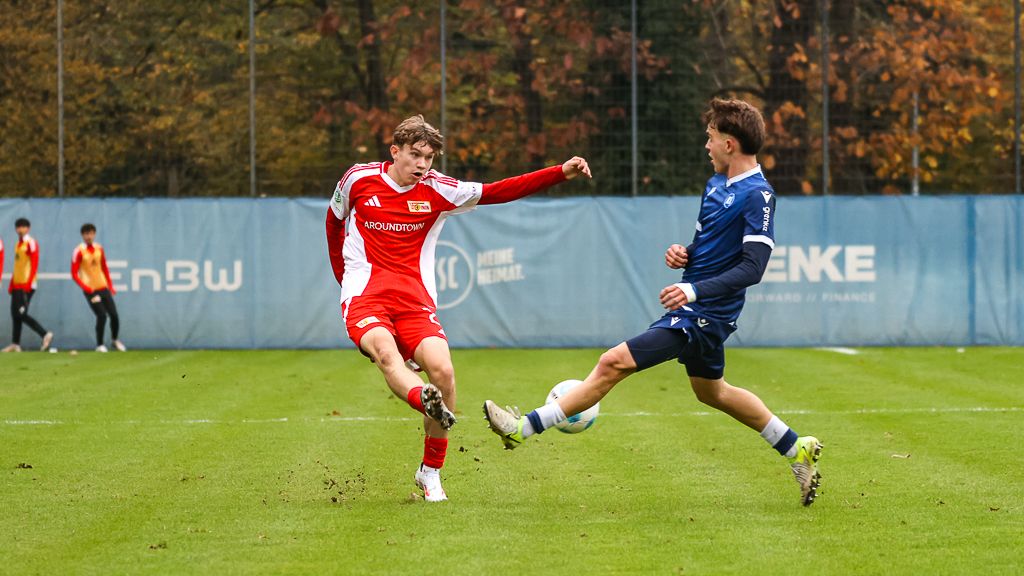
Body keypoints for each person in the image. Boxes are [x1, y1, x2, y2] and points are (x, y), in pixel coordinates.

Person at [483, 98, 823, 507]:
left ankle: (522, 428)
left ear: (729, 144)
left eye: (711, 138)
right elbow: (713, 247)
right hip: (696, 307)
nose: (706, 146)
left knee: (613, 362)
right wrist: (687, 254)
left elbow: (753, 268)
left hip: (707, 313)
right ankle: (795, 447)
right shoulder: (715, 186)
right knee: (712, 392)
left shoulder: (758, 195)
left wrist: (693, 290)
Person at [326, 115, 591, 502]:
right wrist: (344, 281)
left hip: (415, 301)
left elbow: (500, 190)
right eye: (415, 155)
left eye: (429, 158)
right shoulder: (358, 179)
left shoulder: (439, 190)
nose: (422, 165)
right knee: (386, 354)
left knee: (444, 372)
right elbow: (333, 224)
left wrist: (559, 173)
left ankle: (430, 472)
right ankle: (424, 400)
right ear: (394, 151)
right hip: (365, 296)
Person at [71, 223, 125, 352]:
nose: (88, 236)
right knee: (101, 315)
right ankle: (100, 345)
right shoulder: (78, 251)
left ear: (94, 234)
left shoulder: (99, 248)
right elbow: (74, 273)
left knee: (114, 315)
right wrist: (86, 287)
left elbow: (104, 268)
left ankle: (114, 340)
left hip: (103, 287)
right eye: (86, 234)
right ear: (82, 235)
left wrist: (110, 286)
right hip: (91, 290)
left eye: (91, 233)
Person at [3, 218, 53, 353]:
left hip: (27, 285)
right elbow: (18, 266)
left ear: (28, 228)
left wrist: (29, 282)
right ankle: (15, 344)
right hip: (17, 284)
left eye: (23, 227)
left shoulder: (31, 243)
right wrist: (11, 283)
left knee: (21, 313)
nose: (20, 229)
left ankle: (44, 334)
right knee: (15, 314)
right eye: (18, 227)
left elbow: (35, 263)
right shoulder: (18, 245)